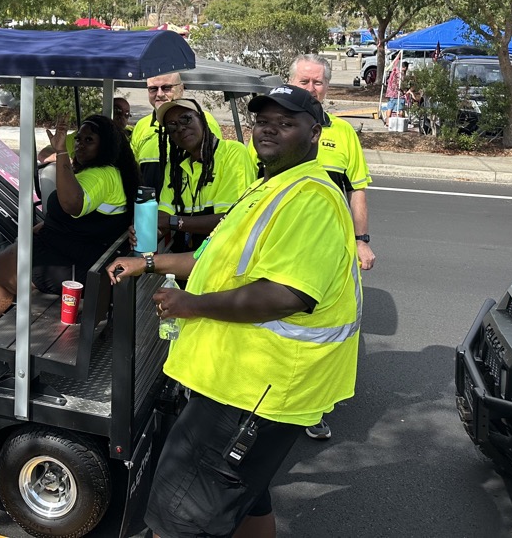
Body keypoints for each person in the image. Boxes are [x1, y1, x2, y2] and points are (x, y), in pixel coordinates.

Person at [107, 84, 360, 538]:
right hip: (236, 382)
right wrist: (147, 262)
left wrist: (192, 303)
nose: (269, 131)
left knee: (180, 517)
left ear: (315, 132)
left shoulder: (310, 198)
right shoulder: (270, 186)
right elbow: (213, 258)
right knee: (247, 498)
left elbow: (287, 293)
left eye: (286, 124)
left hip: (252, 391)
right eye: (264, 122)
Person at [248, 54, 375, 441]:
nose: (311, 88)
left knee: (318, 330)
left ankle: (312, 409)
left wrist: (361, 241)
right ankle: (267, 401)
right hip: (285, 238)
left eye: (318, 82)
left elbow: (357, 191)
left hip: (330, 245)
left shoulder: (343, 135)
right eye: (304, 81)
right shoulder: (276, 134)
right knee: (278, 326)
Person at [0, 114, 139, 355]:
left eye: (89, 140)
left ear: (106, 145)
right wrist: (47, 226)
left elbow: (72, 204)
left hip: (82, 268)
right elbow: (83, 219)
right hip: (84, 256)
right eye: (78, 139)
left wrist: (61, 154)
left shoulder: (100, 175)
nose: (80, 144)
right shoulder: (112, 172)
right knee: (13, 256)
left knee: (2, 272)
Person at [154, 98, 255, 252]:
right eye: (172, 125)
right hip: (182, 261)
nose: (180, 128)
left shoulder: (233, 153)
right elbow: (164, 216)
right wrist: (150, 230)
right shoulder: (175, 167)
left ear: (201, 119)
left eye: (186, 119)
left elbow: (230, 219)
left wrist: (173, 222)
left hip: (220, 257)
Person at [130, 72, 221, 194]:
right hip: (151, 207)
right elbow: (133, 169)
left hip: (193, 206)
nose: (160, 94)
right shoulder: (141, 125)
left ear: (181, 89)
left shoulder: (204, 120)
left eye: (166, 88)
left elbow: (216, 163)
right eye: (153, 89)